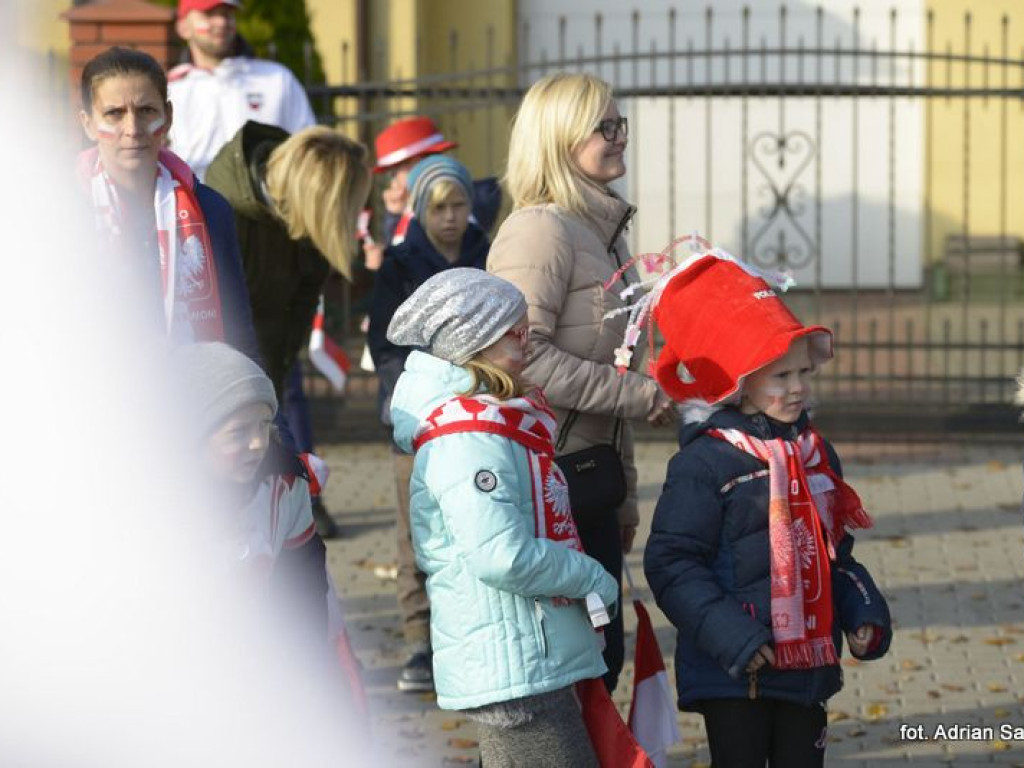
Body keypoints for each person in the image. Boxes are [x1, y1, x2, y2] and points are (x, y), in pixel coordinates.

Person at [642, 251, 892, 768]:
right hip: (738, 670)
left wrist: (862, 609)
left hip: (807, 667)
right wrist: (732, 637)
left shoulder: (814, 453)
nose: (798, 387)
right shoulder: (705, 462)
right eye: (780, 376)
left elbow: (835, 554)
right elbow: (671, 563)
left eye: (803, 372)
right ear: (738, 381)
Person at [487, 72, 675, 692]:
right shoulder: (540, 230)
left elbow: (614, 367)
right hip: (546, 487)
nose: (619, 137)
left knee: (599, 669)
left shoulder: (601, 233)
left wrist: (624, 496)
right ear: (559, 139)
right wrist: (643, 397)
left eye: (620, 124)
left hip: (590, 484)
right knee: (571, 678)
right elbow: (519, 358)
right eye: (604, 127)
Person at [387, 268, 618, 768]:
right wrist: (590, 577)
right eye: (514, 330)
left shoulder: (491, 423)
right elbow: (502, 556)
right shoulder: (469, 437)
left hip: (527, 653)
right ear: (473, 342)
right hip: (515, 665)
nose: (527, 340)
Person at [204, 121, 372, 537]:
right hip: (225, 378)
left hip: (270, 361)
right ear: (318, 197)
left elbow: (300, 305)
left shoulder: (306, 224)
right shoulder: (227, 212)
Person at [366, 154, 490, 692]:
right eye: (438, 208)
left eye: (459, 204)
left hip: (477, 413)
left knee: (476, 525)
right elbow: (384, 344)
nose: (450, 216)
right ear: (420, 211)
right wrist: (413, 401)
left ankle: (470, 632)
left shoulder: (487, 255)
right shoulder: (399, 264)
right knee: (415, 531)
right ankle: (419, 638)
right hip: (416, 420)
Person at [77, 46, 260, 361]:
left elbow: (238, 334)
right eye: (114, 113)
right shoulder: (61, 208)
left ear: (169, 116)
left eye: (147, 111)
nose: (133, 130)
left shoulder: (209, 208)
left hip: (193, 386)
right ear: (88, 124)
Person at [167, 0, 316, 182]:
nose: (221, 22)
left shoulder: (277, 79)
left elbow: (308, 148)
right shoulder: (171, 89)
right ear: (183, 28)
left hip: (267, 198)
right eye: (209, 14)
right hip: (193, 198)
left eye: (227, 14)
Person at [363, 116, 502, 269]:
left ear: (419, 164)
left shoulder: (473, 202)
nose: (393, 181)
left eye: (395, 172)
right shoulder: (406, 207)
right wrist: (395, 216)